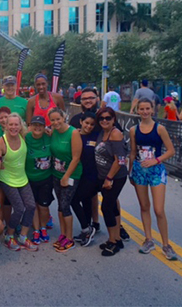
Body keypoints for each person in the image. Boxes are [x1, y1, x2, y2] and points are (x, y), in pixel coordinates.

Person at [129, 98, 178, 260]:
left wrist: (155, 160)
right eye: (141, 109)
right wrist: (130, 172)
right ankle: (149, 239)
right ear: (137, 111)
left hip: (156, 171)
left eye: (147, 108)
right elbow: (133, 152)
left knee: (158, 209)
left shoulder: (160, 129)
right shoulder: (134, 130)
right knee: (144, 206)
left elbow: (171, 150)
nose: (144, 112)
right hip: (139, 171)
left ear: (152, 110)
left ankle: (166, 244)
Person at [0, 113, 38, 252]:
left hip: (22, 178)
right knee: (19, 208)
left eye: (16, 124)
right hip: (7, 179)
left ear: (20, 125)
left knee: (31, 206)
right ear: (6, 126)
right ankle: (9, 235)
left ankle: (22, 236)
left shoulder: (24, 136)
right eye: (11, 124)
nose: (14, 127)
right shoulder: (1, 142)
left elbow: (41, 130)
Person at [94, 107, 128, 256]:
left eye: (108, 118)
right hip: (104, 176)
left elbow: (120, 160)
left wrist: (109, 178)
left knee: (106, 208)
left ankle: (113, 242)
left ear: (114, 119)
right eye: (101, 118)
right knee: (112, 206)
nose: (104, 120)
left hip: (115, 177)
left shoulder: (115, 134)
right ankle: (116, 238)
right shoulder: (103, 132)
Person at [48, 108, 82, 253]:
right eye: (53, 120)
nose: (56, 122)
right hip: (56, 172)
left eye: (58, 119)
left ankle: (70, 238)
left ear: (64, 118)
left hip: (71, 175)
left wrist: (66, 176)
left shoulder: (73, 133)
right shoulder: (53, 131)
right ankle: (63, 234)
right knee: (60, 206)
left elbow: (76, 158)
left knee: (65, 205)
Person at [24, 115, 53, 245]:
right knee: (33, 206)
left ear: (44, 127)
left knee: (44, 206)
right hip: (29, 179)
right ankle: (36, 230)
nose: (37, 127)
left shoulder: (49, 137)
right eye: (34, 125)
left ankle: (43, 227)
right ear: (30, 126)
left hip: (46, 179)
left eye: (40, 125)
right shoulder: (25, 138)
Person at [72, 111, 99, 247]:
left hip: (93, 176)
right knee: (85, 201)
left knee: (74, 200)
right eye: (86, 123)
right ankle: (87, 228)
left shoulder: (97, 135)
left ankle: (86, 228)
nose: (89, 126)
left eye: (92, 124)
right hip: (79, 175)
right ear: (81, 122)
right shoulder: (75, 135)